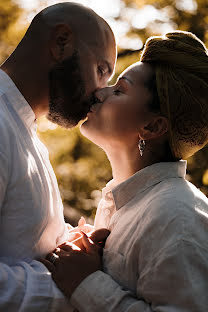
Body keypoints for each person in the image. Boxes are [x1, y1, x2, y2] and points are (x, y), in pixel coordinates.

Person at [45, 31, 208, 311]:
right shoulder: (123, 200)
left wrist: (86, 283)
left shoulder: (177, 218)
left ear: (153, 127)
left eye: (119, 90)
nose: (100, 91)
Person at [0, 2, 116, 311]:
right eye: (101, 71)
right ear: (61, 42)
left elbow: (24, 244)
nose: (101, 93)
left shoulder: (26, 133)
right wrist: (73, 284)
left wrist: (74, 243)